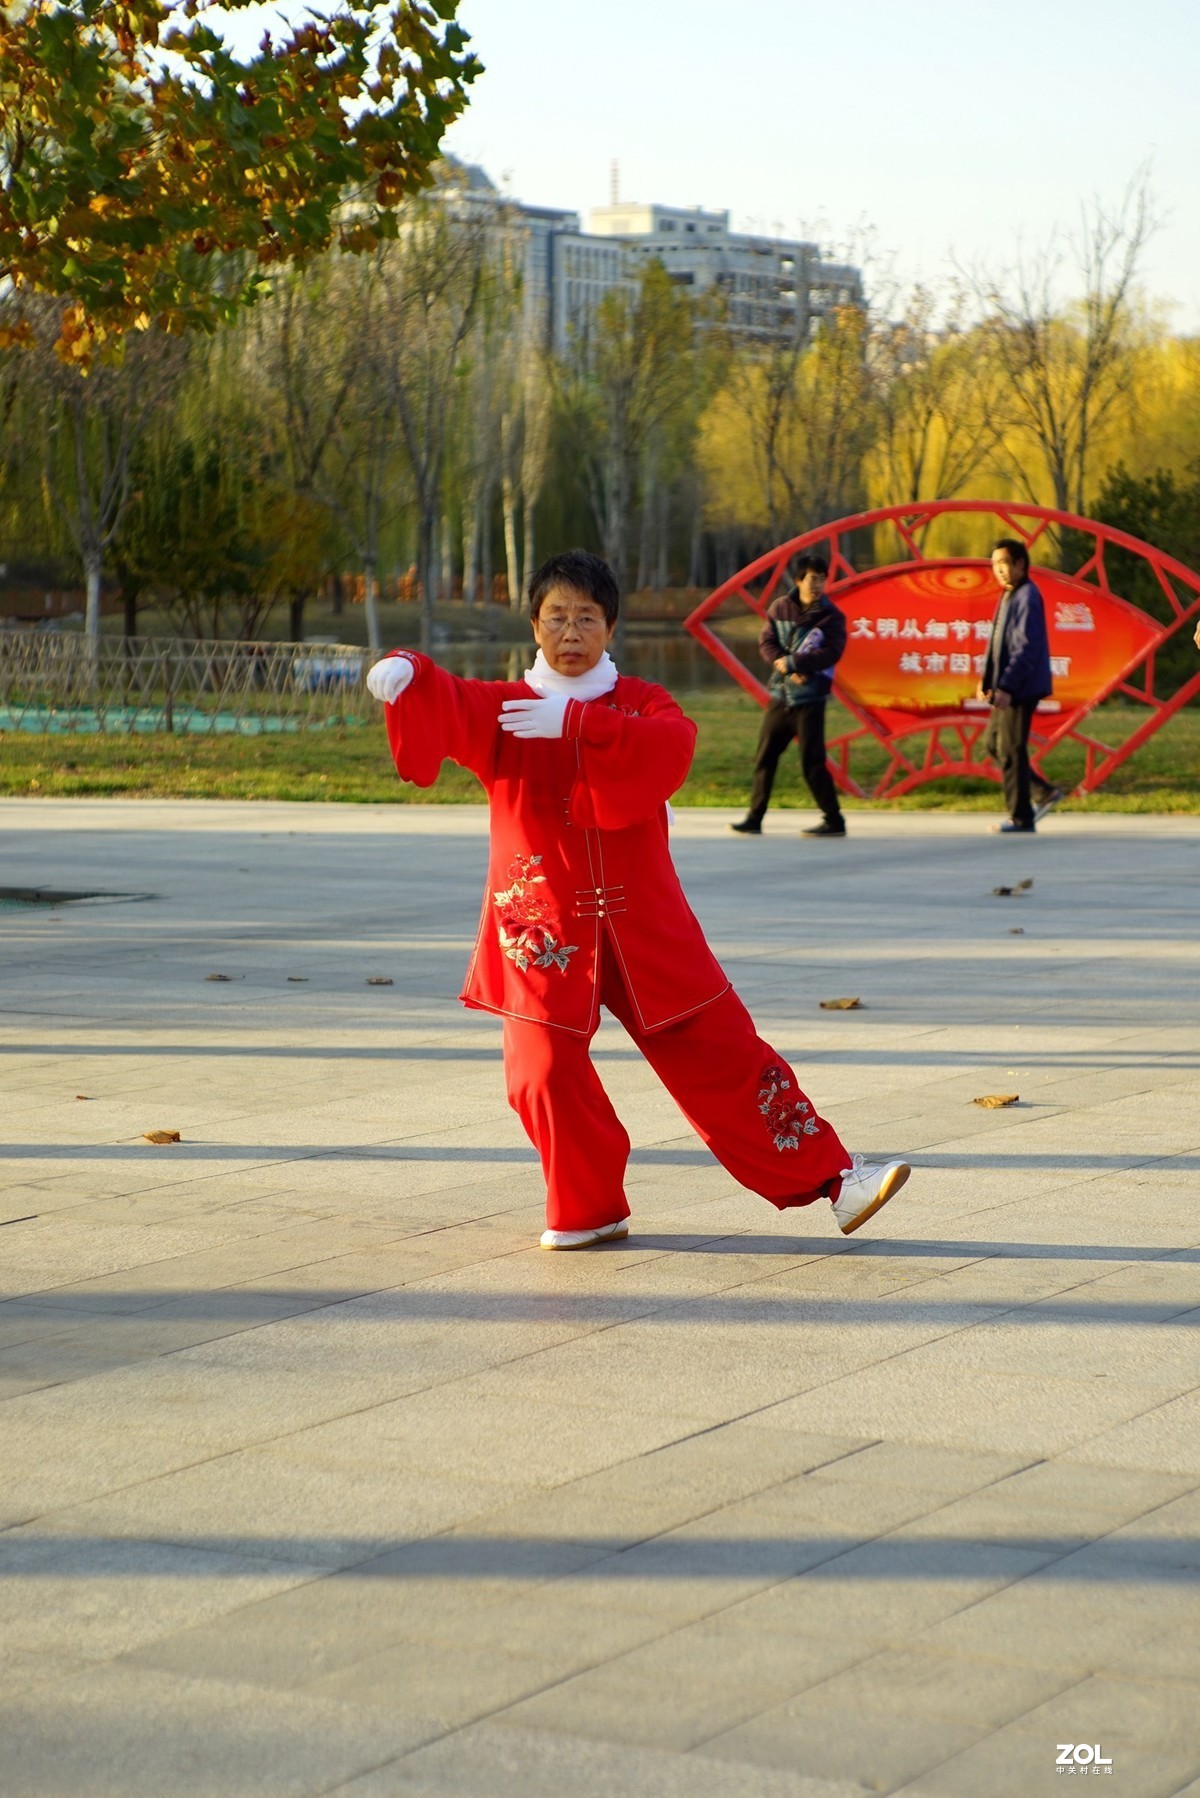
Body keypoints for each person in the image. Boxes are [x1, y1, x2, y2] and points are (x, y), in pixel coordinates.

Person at [366, 548, 911, 1249]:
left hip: (646, 921)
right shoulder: (505, 708)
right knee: (540, 1073)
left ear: (610, 627)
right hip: (543, 930)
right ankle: (588, 1205)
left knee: (727, 1057)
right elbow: (449, 702)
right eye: (556, 617)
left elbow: (671, 748)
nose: (571, 632)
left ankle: (839, 1180)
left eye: (586, 618)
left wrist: (580, 727)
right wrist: (410, 670)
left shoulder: (642, 702)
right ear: (534, 625)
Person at [731, 553, 847, 839]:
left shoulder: (831, 616)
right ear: (798, 580)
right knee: (765, 758)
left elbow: (831, 652)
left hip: (810, 699)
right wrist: (783, 662)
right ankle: (754, 818)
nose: (818, 584)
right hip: (781, 696)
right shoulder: (780, 607)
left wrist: (795, 664)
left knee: (812, 762)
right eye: (812, 579)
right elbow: (767, 641)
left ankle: (834, 820)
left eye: (822, 579)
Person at [979, 538, 1063, 834]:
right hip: (1008, 686)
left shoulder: (1027, 596)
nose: (999, 570)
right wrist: (988, 683)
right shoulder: (1009, 594)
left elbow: (1025, 649)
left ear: (1020, 564)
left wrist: (1007, 685)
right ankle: (1043, 793)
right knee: (994, 743)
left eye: (1004, 563)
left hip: (1022, 686)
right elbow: (997, 644)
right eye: (995, 565)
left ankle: (1021, 817)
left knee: (1012, 748)